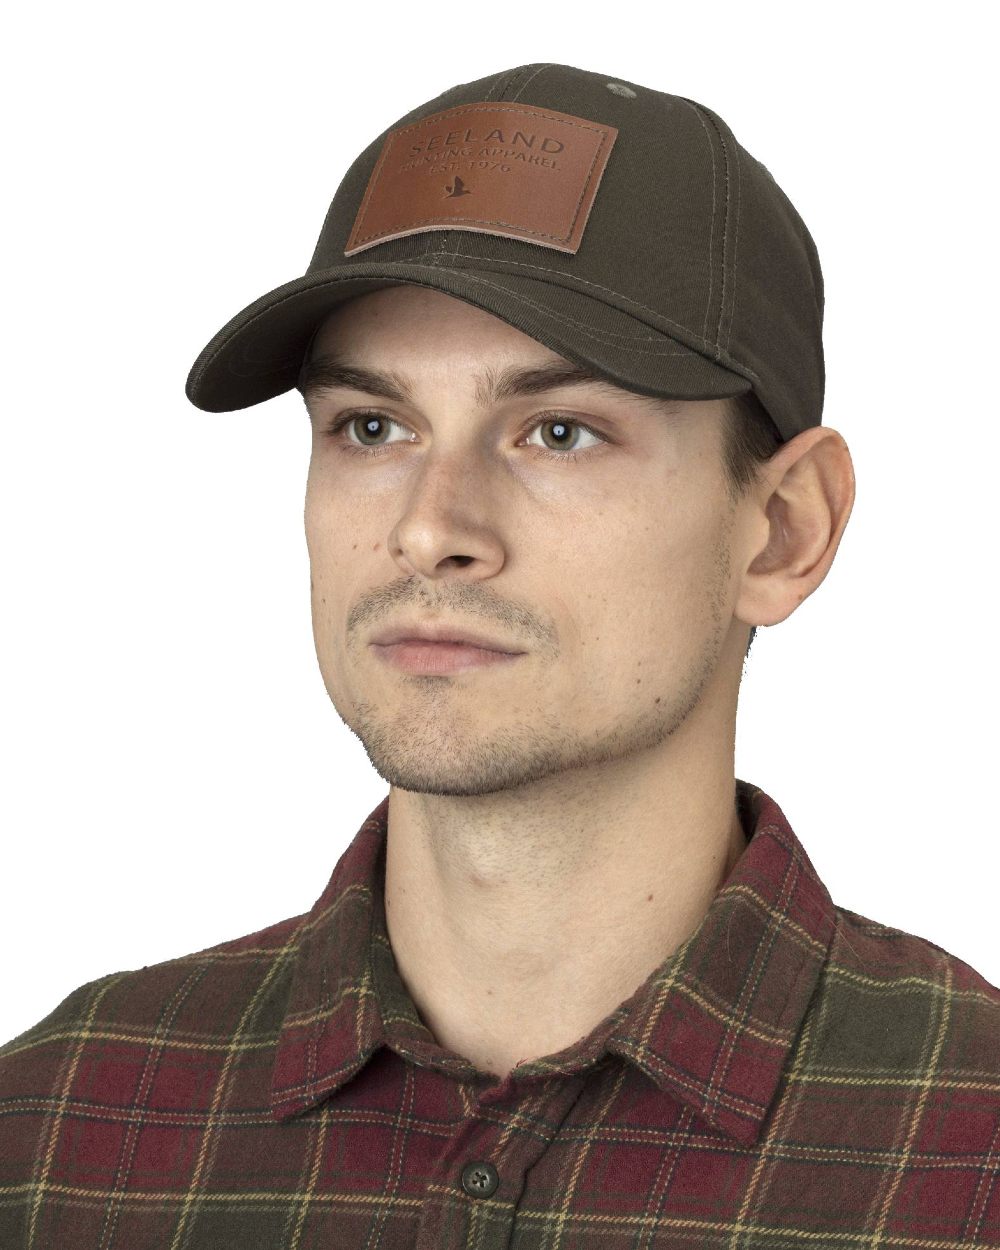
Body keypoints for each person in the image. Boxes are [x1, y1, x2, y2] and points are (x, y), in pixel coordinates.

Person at [2, 61, 998, 1248]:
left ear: (782, 529)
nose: (429, 527)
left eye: (559, 431)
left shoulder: (968, 1144)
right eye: (372, 427)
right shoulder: (59, 1132)